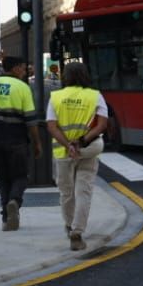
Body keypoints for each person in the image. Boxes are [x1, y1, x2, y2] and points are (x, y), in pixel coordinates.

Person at [45, 61, 109, 252]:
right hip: (87, 149)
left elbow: (51, 126)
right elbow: (102, 124)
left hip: (64, 152)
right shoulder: (95, 96)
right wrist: (81, 142)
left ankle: (68, 225)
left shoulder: (56, 97)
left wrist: (68, 145)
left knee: (66, 192)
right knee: (84, 191)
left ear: (65, 76)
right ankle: (77, 233)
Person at [0, 55, 42, 232]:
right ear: (16, 68)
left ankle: (6, 218)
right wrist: (37, 143)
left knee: (3, 179)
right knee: (20, 176)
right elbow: (31, 120)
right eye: (22, 67)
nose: (24, 71)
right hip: (17, 137)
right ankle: (14, 201)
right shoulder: (23, 87)